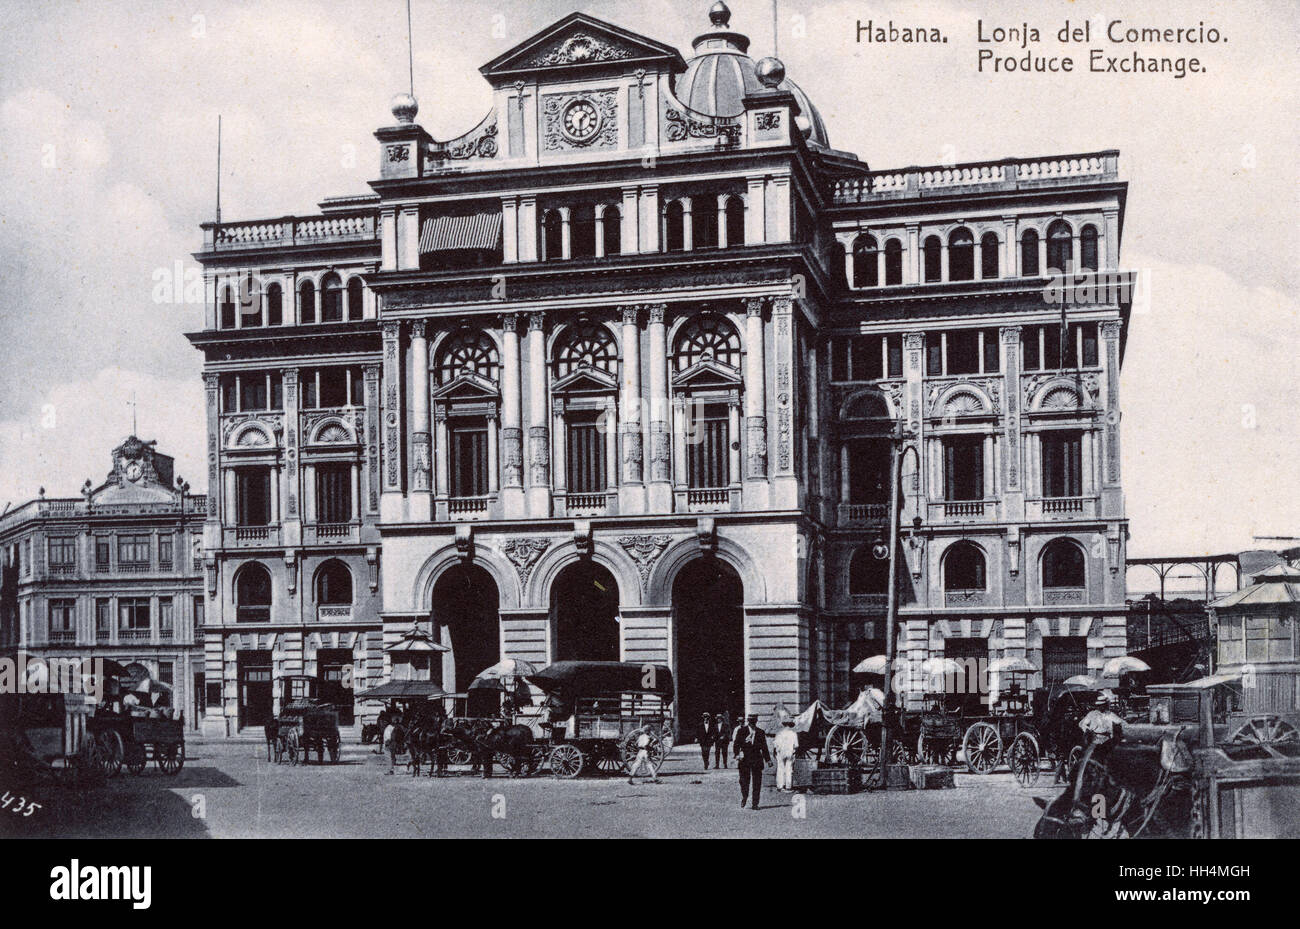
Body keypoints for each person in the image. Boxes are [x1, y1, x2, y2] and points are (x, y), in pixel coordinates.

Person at [733, 714, 771, 810]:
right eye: (751, 721)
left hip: (757, 760)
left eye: (754, 721)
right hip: (744, 760)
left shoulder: (760, 732)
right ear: (748, 721)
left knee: (757, 782)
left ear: (756, 721)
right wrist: (737, 754)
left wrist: (768, 760)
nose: (752, 723)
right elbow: (736, 744)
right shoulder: (741, 731)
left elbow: (764, 747)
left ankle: (755, 803)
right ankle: (744, 797)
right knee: (744, 781)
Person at [773, 718, 799, 791]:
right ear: (790, 725)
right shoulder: (793, 734)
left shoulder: (779, 733)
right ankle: (788, 786)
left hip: (780, 752)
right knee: (789, 769)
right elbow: (796, 745)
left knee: (780, 768)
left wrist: (776, 751)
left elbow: (775, 745)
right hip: (789, 752)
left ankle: (780, 786)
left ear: (783, 725)